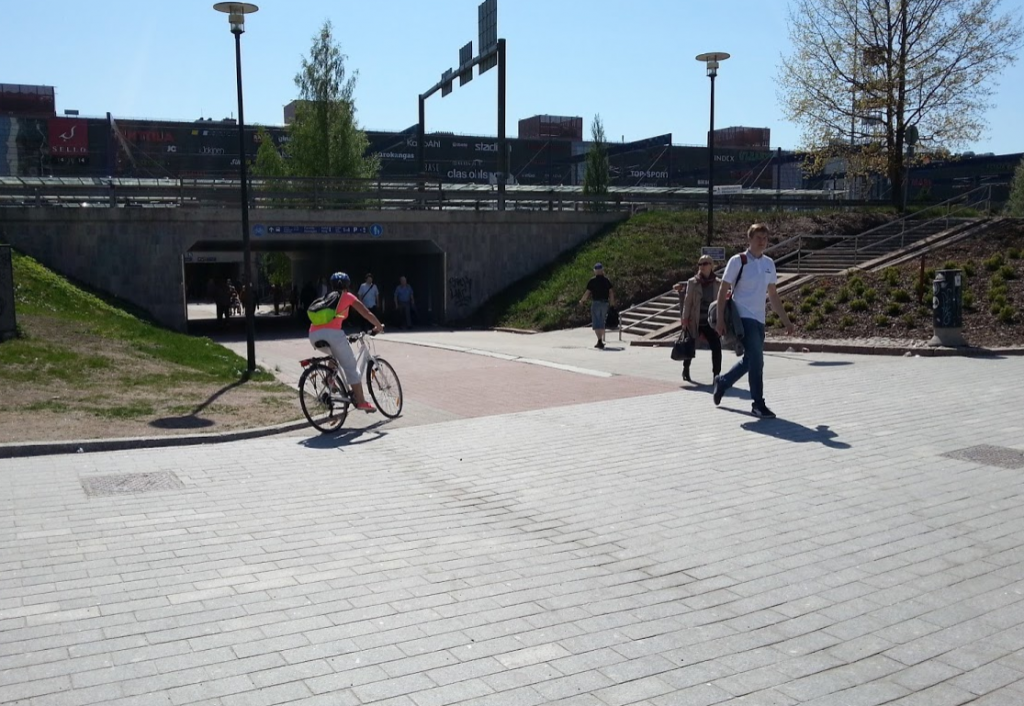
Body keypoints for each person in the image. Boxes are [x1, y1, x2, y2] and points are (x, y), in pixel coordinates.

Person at [712, 223, 796, 418]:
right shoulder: (738, 261)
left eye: (765, 238)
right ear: (749, 239)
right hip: (742, 316)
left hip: (759, 318)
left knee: (751, 359)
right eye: (758, 237)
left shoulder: (769, 263)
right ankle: (758, 404)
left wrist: (786, 321)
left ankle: (723, 382)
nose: (762, 241)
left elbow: (773, 295)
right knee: (757, 360)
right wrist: (720, 320)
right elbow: (723, 290)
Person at [308, 271, 384, 413]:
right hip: (333, 335)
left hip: (313, 335)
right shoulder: (347, 296)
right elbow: (366, 313)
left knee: (335, 354)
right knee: (351, 367)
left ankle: (330, 379)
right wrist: (378, 326)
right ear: (347, 285)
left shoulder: (326, 297)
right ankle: (361, 402)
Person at [674, 254, 722, 382]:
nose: (702, 266)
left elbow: (720, 302)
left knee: (716, 347)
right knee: (690, 344)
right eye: (700, 264)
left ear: (711, 265)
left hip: (710, 321)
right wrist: (684, 319)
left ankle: (716, 375)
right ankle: (686, 369)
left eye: (705, 263)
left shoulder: (717, 283)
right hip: (695, 320)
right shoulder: (693, 282)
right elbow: (687, 302)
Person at [579, 263, 616, 349]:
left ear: (595, 271)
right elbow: (611, 293)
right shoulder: (606, 281)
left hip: (596, 303)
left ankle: (599, 340)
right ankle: (600, 340)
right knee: (602, 321)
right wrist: (612, 304)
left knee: (596, 321)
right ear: (602, 270)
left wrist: (582, 301)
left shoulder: (592, 281)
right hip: (605, 303)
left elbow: (587, 293)